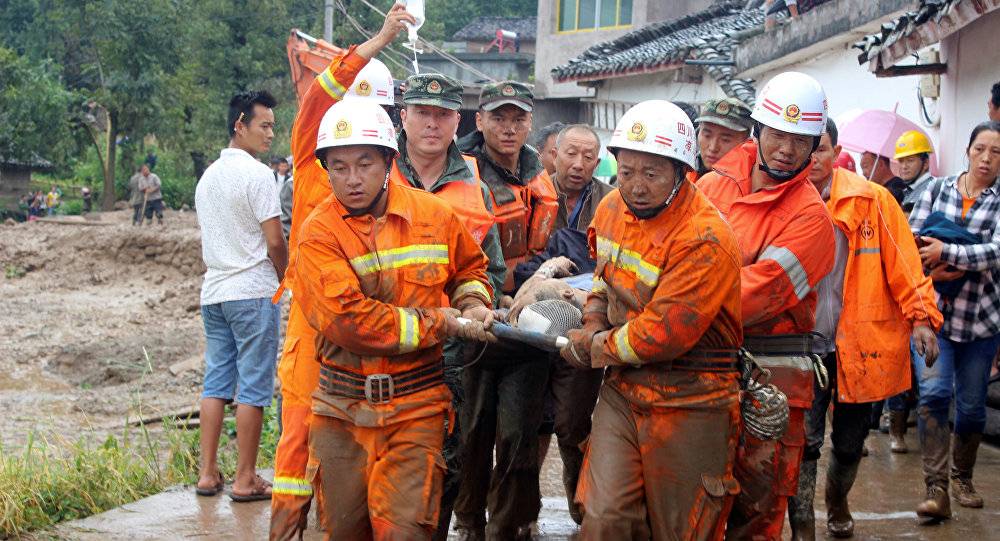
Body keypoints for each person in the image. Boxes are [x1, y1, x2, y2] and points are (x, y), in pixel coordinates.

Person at [293, 97, 495, 540]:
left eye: (364, 164)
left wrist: (473, 303)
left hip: (416, 407)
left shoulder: (434, 215)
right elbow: (349, 321)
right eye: (339, 167)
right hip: (342, 412)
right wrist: (442, 322)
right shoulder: (318, 233)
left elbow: (470, 269)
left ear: (389, 161)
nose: (352, 179)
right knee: (346, 533)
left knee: (404, 532)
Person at [561, 99, 743, 538]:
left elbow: (663, 334)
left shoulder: (705, 237)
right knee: (603, 518)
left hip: (692, 397)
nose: (636, 187)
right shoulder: (611, 210)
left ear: (681, 173)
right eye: (626, 172)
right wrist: (592, 321)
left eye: (651, 174)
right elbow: (602, 281)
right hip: (624, 389)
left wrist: (593, 347)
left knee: (681, 529)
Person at [268, 6, 414, 539]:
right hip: (313, 321)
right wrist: (380, 39)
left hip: (365, 322)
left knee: (349, 444)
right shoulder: (314, 156)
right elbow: (320, 94)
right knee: (297, 438)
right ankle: (286, 530)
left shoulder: (395, 184)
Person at [787, 118, 942, 540]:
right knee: (802, 440)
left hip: (860, 343)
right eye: (804, 148)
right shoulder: (782, 199)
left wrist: (921, 318)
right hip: (801, 343)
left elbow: (905, 264)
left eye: (820, 148)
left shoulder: (873, 200)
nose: (812, 158)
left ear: (836, 153)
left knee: (850, 441)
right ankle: (803, 524)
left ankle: (837, 499)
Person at [697, 71, 836, 540]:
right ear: (758, 130)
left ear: (815, 146)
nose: (786, 149)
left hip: (770, 373)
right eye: (777, 134)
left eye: (800, 141)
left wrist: (672, 305)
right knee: (695, 495)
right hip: (703, 359)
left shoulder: (811, 219)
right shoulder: (711, 185)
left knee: (758, 509)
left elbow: (755, 294)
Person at [390, 72, 507, 541]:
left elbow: (490, 269)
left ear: (458, 122)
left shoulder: (476, 187)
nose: (431, 124)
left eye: (442, 115)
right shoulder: (376, 172)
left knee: (449, 457)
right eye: (422, 112)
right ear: (403, 116)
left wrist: (473, 307)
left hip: (453, 349)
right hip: (387, 339)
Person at [454, 80, 558, 540]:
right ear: (479, 121)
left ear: (530, 123)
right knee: (473, 429)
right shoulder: (461, 171)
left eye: (518, 119)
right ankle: (469, 520)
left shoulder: (540, 173)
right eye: (499, 118)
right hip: (478, 318)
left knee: (519, 432)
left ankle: (508, 524)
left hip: (528, 322)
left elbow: (549, 244)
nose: (509, 128)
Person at [194, 89, 287, 503]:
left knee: (216, 382)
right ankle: (245, 478)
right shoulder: (258, 175)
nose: (270, 134)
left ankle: (207, 474)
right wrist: (287, 278)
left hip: (214, 292)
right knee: (253, 385)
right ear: (240, 126)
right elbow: (275, 241)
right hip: (252, 291)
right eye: (264, 125)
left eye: (272, 126)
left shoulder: (208, 177)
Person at [908, 121, 1000, 520]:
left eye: (996, 152)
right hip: (934, 318)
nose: (986, 158)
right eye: (980, 149)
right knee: (933, 394)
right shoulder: (935, 189)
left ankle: (963, 477)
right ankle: (937, 489)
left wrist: (946, 252)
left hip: (981, 323)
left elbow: (996, 252)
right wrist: (933, 266)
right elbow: (911, 241)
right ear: (968, 150)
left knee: (973, 408)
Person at [526, 123, 613, 527]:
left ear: (598, 161)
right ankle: (525, 509)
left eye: (588, 156)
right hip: (530, 323)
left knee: (572, 421)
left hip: (583, 322)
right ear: (553, 155)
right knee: (530, 420)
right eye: (570, 154)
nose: (578, 164)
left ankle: (579, 501)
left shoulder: (611, 201)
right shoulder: (532, 194)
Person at [693, 97, 753, 179]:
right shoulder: (683, 172)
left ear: (746, 142)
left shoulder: (754, 182)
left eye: (725, 140)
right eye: (707, 135)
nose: (713, 148)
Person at [895, 130, 938, 213]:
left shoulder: (932, 190)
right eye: (900, 161)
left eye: (910, 160)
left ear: (925, 163)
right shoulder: (907, 191)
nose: (904, 166)